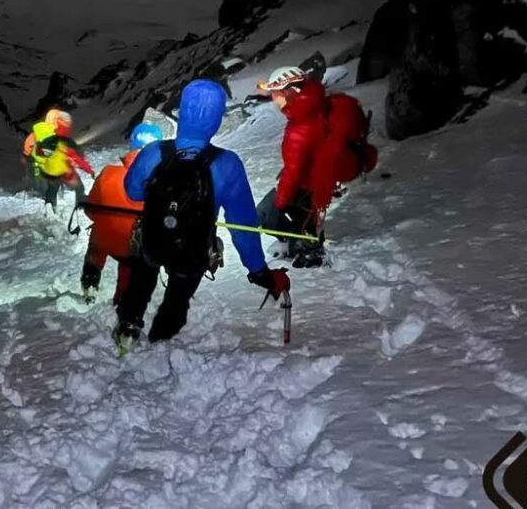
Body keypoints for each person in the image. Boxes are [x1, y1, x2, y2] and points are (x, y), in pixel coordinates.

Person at [114, 79, 289, 350]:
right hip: (193, 251)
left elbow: (133, 192)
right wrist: (259, 272)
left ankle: (128, 322)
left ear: (182, 112)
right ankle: (160, 341)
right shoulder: (227, 164)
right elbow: (243, 226)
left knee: (142, 277)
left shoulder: (153, 153)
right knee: (178, 299)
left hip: (153, 239)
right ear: (216, 120)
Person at [256, 65, 378, 268]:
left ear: (291, 92)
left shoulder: (301, 125)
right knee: (301, 209)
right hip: (329, 171)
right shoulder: (318, 103)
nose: (273, 100)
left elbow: (294, 172)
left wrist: (281, 200)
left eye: (276, 94)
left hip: (317, 179)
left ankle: (309, 250)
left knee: (268, 213)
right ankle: (303, 241)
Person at [79, 122, 163, 303]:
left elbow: (92, 210)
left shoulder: (108, 173)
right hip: (135, 249)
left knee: (98, 235)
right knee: (136, 253)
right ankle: (122, 299)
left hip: (106, 240)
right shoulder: (161, 182)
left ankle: (90, 281)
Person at [29, 109, 94, 211]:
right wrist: (89, 170)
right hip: (62, 171)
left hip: (48, 171)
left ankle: (50, 207)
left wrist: (39, 169)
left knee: (52, 189)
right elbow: (78, 159)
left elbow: (34, 154)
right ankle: (80, 206)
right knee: (79, 187)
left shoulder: (44, 138)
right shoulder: (66, 142)